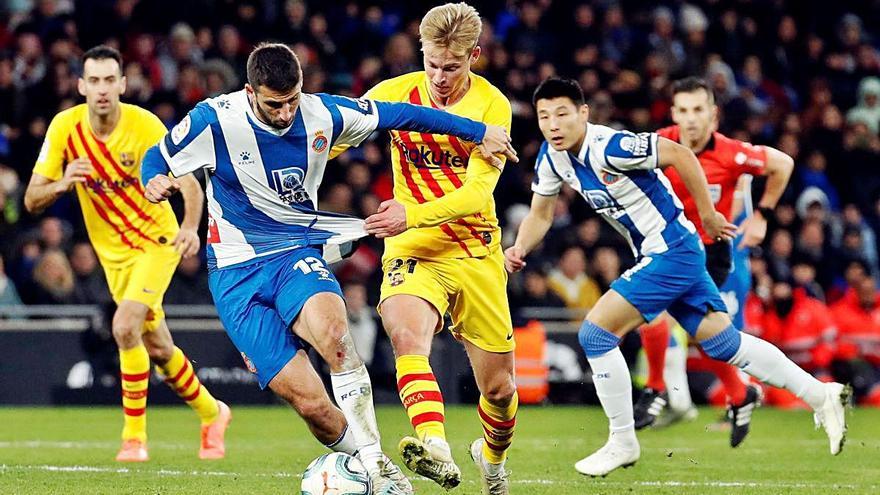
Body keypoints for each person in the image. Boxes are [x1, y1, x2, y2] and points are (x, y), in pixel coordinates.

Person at [141, 42, 515, 495]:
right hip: (235, 273)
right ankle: (371, 468)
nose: (284, 114)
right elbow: (157, 157)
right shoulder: (213, 119)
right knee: (311, 403)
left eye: (292, 101)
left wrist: (478, 131)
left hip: (294, 252)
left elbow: (403, 115)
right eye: (273, 105)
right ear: (249, 92)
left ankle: (377, 465)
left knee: (337, 339)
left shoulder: (324, 113)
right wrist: (153, 181)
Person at [505, 77, 848, 477]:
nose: (553, 125)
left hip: (672, 250)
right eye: (545, 117)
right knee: (724, 344)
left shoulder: (611, 146)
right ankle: (821, 394)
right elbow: (541, 214)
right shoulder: (552, 157)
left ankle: (622, 440)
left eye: (562, 114)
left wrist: (708, 215)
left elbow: (681, 155)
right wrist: (520, 247)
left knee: (595, 335)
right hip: (672, 251)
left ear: (583, 113)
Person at [332, 5, 518, 493]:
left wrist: (408, 213)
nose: (438, 75)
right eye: (431, 63)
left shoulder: (491, 108)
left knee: (498, 391)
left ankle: (492, 462)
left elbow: (478, 194)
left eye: (451, 66)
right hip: (413, 248)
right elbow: (331, 136)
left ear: (474, 56)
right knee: (407, 337)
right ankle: (434, 445)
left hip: (475, 250)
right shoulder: (392, 94)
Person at [24, 45, 230, 463]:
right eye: (93, 81)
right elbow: (31, 199)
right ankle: (213, 412)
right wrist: (63, 183)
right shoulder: (65, 127)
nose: (101, 89)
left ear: (122, 84)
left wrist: (190, 227)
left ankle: (134, 438)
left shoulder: (144, 126)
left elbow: (188, 180)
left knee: (123, 326)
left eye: (108, 80)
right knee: (156, 346)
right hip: (112, 255)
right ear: (82, 85)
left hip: (157, 241)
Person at [635, 77, 795, 447]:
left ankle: (658, 388)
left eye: (698, 110)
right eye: (683, 111)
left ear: (713, 115)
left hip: (710, 251)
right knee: (699, 332)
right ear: (674, 113)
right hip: (666, 244)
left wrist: (762, 216)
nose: (691, 119)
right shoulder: (658, 144)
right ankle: (737, 394)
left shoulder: (732, 154)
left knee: (666, 317)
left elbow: (782, 164)